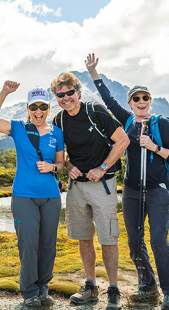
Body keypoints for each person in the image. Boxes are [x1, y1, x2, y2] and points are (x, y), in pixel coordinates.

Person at [86, 54, 169, 310]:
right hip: (131, 191)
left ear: (150, 101)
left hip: (158, 191)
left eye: (145, 98)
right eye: (136, 99)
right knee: (134, 240)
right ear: (130, 103)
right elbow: (108, 99)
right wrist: (94, 73)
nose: (141, 102)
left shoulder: (161, 123)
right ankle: (147, 286)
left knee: (158, 240)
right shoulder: (127, 120)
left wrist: (154, 146)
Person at [51, 72, 129, 310]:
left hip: (103, 184)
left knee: (107, 237)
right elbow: (60, 153)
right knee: (84, 238)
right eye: (60, 95)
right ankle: (91, 286)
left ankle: (113, 289)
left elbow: (123, 140)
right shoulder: (59, 121)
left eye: (69, 93)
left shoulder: (95, 112)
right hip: (77, 187)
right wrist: (70, 166)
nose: (66, 98)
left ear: (78, 92)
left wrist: (102, 167)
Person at [0, 83, 65, 308]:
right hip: (24, 197)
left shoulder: (57, 133)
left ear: (49, 108)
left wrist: (53, 168)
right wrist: (4, 92)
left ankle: (43, 289)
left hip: (51, 196)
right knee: (28, 243)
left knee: (48, 245)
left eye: (42, 106)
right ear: (27, 108)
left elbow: (61, 163)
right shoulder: (19, 128)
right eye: (34, 107)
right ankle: (29, 291)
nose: (38, 111)